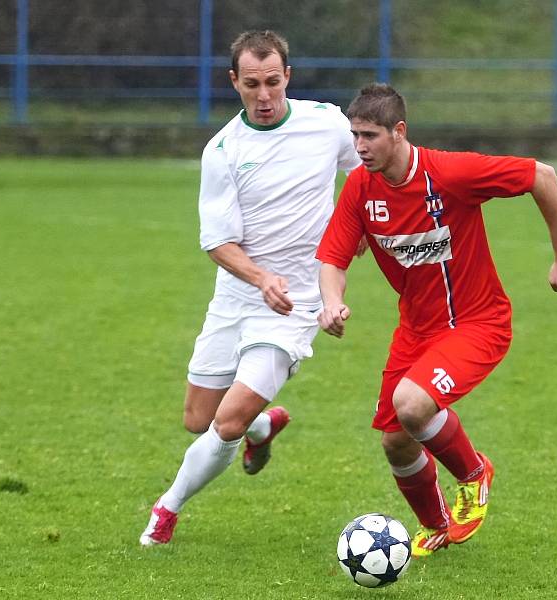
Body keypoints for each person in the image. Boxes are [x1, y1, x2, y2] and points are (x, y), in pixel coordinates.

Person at [316, 83, 557, 557]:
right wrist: (330, 302)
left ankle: (475, 473)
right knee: (396, 442)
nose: (360, 146)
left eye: (371, 135)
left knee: (413, 404)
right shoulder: (360, 186)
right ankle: (436, 524)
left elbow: (541, 175)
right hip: (416, 330)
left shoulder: (449, 173)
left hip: (478, 323)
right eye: (355, 135)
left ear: (399, 132)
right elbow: (333, 257)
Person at [139, 30, 360, 546]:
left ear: (289, 77)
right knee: (199, 420)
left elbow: (368, 171)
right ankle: (264, 428)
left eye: (274, 83)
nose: (264, 97)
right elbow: (217, 242)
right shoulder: (222, 150)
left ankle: (165, 511)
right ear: (233, 81)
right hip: (238, 296)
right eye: (253, 84)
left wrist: (358, 231)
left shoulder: (327, 125)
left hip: (296, 303)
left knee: (228, 421)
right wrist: (260, 278)